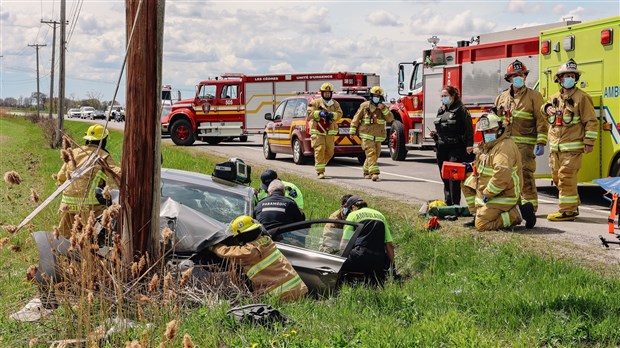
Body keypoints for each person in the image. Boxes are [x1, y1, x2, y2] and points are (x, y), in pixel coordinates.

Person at [542, 58, 597, 221]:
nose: (569, 78)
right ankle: (572, 205)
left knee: (566, 178)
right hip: (556, 149)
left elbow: (591, 121)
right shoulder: (555, 98)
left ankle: (567, 211)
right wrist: (546, 108)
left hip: (572, 149)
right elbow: (543, 109)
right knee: (557, 178)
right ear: (559, 79)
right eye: (566, 75)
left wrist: (589, 142)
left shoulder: (582, 98)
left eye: (572, 75)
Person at [463, 113, 536, 231]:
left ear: (500, 130)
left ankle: (519, 212)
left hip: (503, 194)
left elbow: (501, 177)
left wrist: (487, 193)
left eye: (492, 130)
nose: (488, 133)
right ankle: (476, 214)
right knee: (465, 178)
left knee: (481, 225)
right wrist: (471, 166)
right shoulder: (489, 145)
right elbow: (486, 164)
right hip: (491, 192)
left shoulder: (504, 148)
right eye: (486, 131)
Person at [211, 216, 308, 301]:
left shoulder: (250, 251)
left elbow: (228, 253)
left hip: (283, 295)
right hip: (298, 289)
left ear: (243, 236)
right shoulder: (266, 240)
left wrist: (213, 246)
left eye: (238, 237)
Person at [495, 60, 548, 212]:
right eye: (515, 75)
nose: (519, 77)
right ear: (509, 78)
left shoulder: (534, 96)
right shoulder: (502, 98)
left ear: (525, 77)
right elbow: (496, 122)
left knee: (526, 176)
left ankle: (530, 209)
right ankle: (515, 207)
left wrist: (541, 142)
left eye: (521, 75)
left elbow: (541, 120)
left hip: (525, 146)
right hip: (505, 145)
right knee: (508, 176)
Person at [56, 124, 121, 237]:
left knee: (65, 240)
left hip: (66, 206)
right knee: (91, 239)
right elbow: (117, 174)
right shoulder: (103, 155)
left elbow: (60, 177)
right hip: (91, 208)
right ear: (104, 140)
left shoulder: (74, 152)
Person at [339, 195, 395, 285]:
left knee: (338, 270)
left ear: (353, 207)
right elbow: (389, 245)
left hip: (359, 257)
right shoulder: (380, 215)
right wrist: (392, 266)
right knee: (375, 285)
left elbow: (344, 244)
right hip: (378, 260)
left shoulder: (353, 215)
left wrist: (339, 259)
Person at [433, 85, 474, 205]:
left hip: (456, 147)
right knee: (444, 175)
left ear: (453, 96)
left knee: (453, 176)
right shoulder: (441, 110)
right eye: (442, 96)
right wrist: (435, 135)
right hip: (441, 147)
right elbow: (441, 127)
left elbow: (468, 128)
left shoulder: (461, 109)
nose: (443, 98)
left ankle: (455, 204)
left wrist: (469, 145)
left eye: (445, 96)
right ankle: (448, 202)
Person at [349, 86, 394, 181]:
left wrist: (384, 109)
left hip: (378, 136)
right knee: (371, 153)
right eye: (375, 95)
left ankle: (366, 171)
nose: (376, 97)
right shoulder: (365, 106)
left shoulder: (383, 108)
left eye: (378, 96)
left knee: (376, 154)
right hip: (366, 134)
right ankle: (374, 173)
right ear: (371, 96)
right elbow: (356, 118)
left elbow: (390, 119)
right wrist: (352, 131)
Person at [306, 83, 343, 179]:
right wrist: (319, 113)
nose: (327, 94)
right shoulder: (315, 102)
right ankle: (320, 171)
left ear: (331, 93)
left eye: (328, 93)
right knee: (320, 149)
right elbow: (309, 115)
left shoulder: (335, 104)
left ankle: (320, 164)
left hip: (330, 132)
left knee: (330, 152)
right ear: (322, 93)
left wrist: (332, 115)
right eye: (325, 92)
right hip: (318, 131)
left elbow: (340, 114)